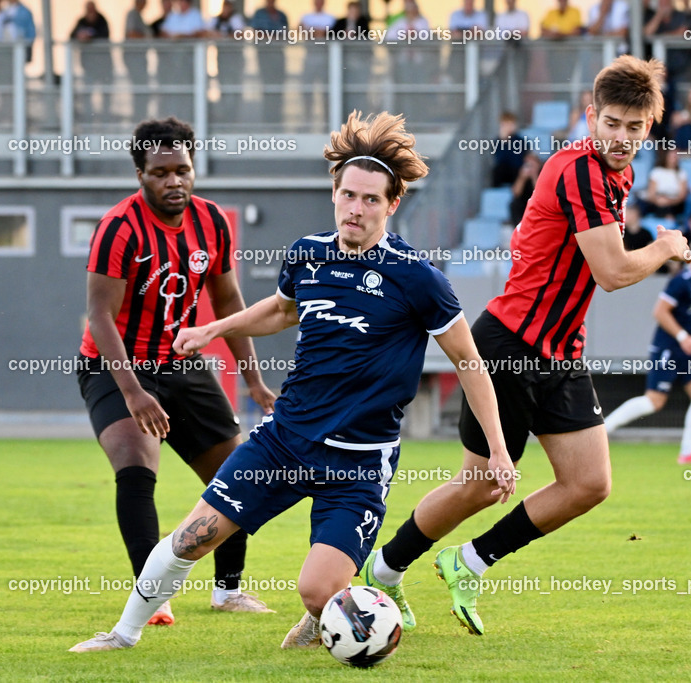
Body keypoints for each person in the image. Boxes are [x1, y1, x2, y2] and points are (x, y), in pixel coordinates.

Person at [69, 111, 513, 653]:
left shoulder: (420, 279)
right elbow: (281, 310)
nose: (357, 208)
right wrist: (213, 328)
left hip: (358, 459)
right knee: (190, 539)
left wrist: (496, 448)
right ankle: (123, 634)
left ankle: (333, 615)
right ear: (334, 192)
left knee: (317, 589)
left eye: (371, 199)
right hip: (284, 440)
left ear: (393, 205)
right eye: (349, 194)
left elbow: (469, 362)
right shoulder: (309, 253)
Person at [361, 56, 690, 637]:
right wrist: (666, 247)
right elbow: (612, 273)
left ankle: (468, 561)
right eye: (610, 123)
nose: (620, 137)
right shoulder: (581, 171)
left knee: (589, 484)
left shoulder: (618, 174)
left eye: (633, 128)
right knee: (482, 484)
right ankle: (383, 571)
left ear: (649, 128)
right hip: (511, 345)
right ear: (591, 116)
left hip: (561, 354)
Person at [73, 118, 277, 629]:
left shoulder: (211, 222)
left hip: (180, 362)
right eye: (160, 172)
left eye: (182, 169)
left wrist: (252, 379)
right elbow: (100, 316)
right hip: (113, 366)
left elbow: (229, 301)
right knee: (137, 468)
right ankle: (153, 594)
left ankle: (228, 591)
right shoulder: (118, 227)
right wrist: (134, 392)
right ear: (140, 174)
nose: (174, 181)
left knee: (238, 473)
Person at [604, 235, 691, 465]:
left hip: (686, 351)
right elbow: (660, 312)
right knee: (654, 401)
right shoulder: (681, 281)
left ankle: (687, 454)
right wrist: (682, 336)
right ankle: (603, 431)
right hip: (668, 348)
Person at [71, 2, 112, 121]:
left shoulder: (102, 20)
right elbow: (71, 35)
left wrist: (90, 38)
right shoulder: (81, 21)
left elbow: (105, 35)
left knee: (105, 92)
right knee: (88, 92)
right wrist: (80, 36)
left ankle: (105, 117)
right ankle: (88, 117)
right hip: (88, 65)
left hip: (103, 65)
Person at [251, 0, 289, 125]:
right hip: (264, 56)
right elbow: (257, 33)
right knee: (266, 86)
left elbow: (286, 35)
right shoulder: (259, 14)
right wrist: (273, 37)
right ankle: (267, 119)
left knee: (279, 86)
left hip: (278, 56)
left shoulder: (282, 15)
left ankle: (278, 118)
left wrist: (271, 37)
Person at [123, 0, 152, 119]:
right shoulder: (133, 14)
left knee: (142, 87)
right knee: (139, 87)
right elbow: (132, 34)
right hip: (134, 58)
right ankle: (139, 115)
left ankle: (140, 114)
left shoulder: (138, 15)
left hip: (139, 58)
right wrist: (148, 38)